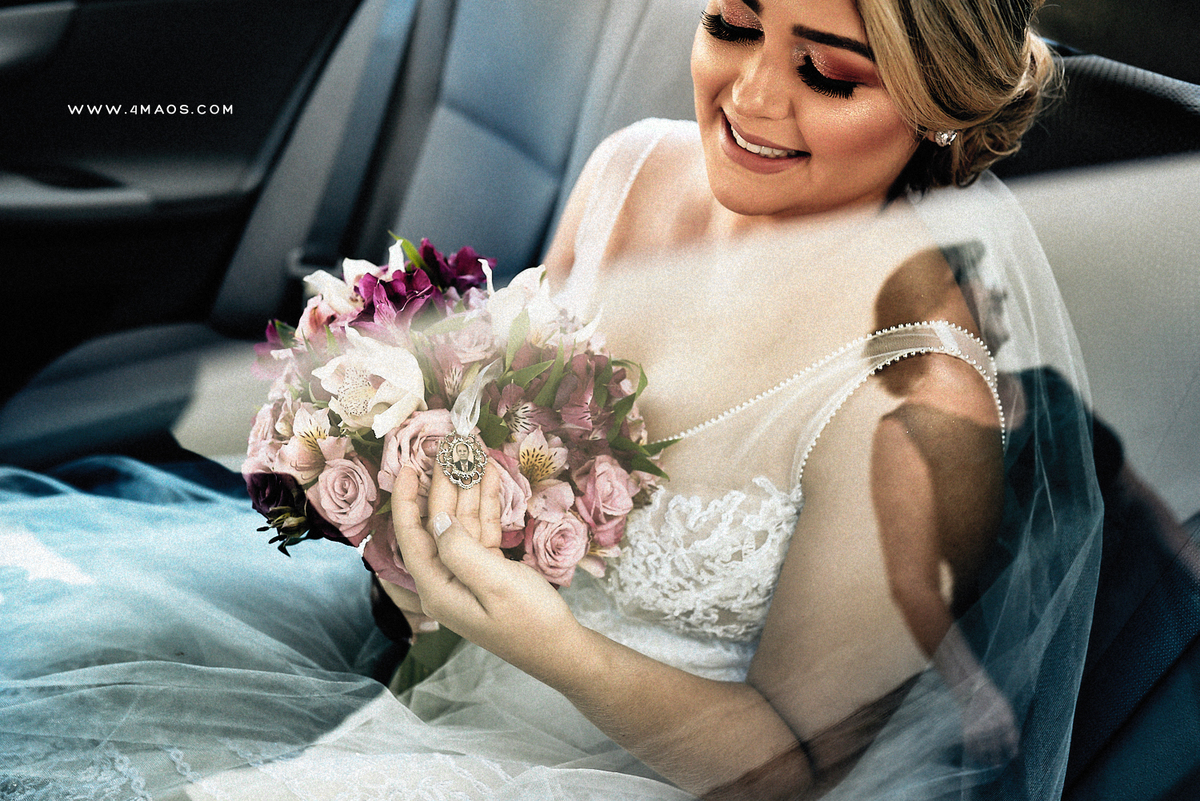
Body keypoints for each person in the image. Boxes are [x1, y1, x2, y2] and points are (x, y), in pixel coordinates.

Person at [0, 0, 1102, 799]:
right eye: (731, 23)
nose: (753, 97)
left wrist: (551, 646)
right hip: (447, 682)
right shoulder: (631, 169)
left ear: (940, 107)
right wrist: (414, 509)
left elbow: (801, 774)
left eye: (830, 73)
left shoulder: (920, 401)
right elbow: (504, 427)